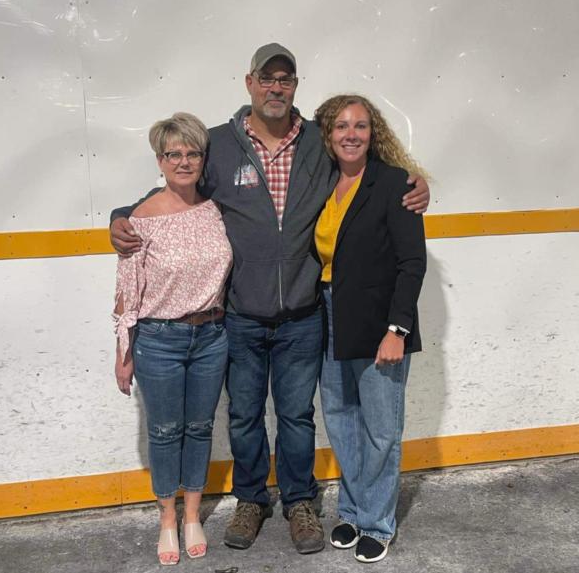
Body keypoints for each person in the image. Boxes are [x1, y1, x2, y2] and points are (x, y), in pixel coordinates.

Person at [110, 43, 430, 555]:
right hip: (240, 316)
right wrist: (120, 215)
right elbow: (174, 185)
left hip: (304, 315)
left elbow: (366, 170)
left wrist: (414, 186)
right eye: (267, 78)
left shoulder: (319, 147)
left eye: (286, 79)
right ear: (250, 83)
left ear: (295, 86)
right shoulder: (217, 145)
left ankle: (301, 502)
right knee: (243, 415)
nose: (276, 87)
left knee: (298, 414)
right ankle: (251, 499)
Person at [113, 113, 232, 565]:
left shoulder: (214, 209)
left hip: (211, 336)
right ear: (159, 161)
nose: (184, 161)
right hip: (158, 339)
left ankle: (193, 516)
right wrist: (123, 352)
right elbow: (127, 290)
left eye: (192, 153)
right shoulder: (138, 220)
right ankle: (167, 519)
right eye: (174, 154)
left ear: (203, 158)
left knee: (200, 428)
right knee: (165, 432)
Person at [314, 94, 427, 563]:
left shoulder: (394, 183)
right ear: (328, 135)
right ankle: (354, 510)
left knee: (381, 428)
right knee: (341, 419)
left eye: (360, 125)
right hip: (326, 314)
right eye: (341, 126)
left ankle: (378, 523)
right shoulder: (320, 180)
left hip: (380, 321)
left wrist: (397, 330)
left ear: (372, 131)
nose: (351, 134)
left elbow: (412, 262)